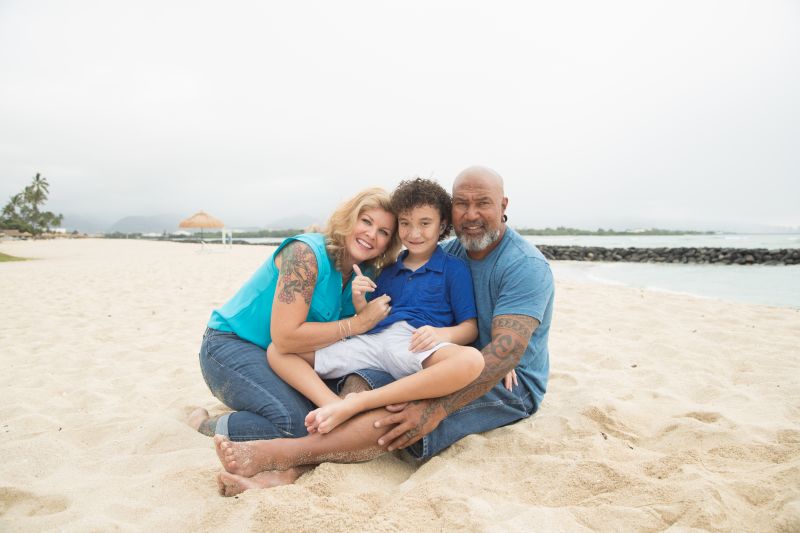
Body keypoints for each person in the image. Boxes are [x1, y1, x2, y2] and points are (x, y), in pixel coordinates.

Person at [211, 166, 554, 497]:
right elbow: (384, 308)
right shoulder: (447, 249)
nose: (472, 213)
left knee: (399, 416)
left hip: (508, 382)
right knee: (362, 381)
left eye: (483, 203)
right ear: (450, 214)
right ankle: (302, 453)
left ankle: (285, 462)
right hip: (415, 350)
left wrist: (481, 367)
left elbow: (503, 348)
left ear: (503, 205)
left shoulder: (523, 266)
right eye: (462, 203)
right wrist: (362, 313)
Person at [267, 178, 485, 435]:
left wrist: (443, 334)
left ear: (442, 225)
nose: (414, 233)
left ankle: (361, 403)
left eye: (425, 223)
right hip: (373, 341)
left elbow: (470, 328)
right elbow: (369, 318)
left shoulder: (453, 268)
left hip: (414, 342)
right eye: (405, 224)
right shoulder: (388, 270)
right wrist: (360, 301)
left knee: (471, 360)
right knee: (278, 351)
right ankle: (333, 404)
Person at [189, 188, 402, 443]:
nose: (371, 234)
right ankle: (204, 423)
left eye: (383, 232)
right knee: (294, 424)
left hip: (285, 359)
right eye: (366, 221)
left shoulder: (364, 276)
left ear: (388, 244)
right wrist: (356, 324)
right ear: (349, 219)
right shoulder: (305, 253)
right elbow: (285, 337)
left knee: (317, 417)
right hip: (229, 344)